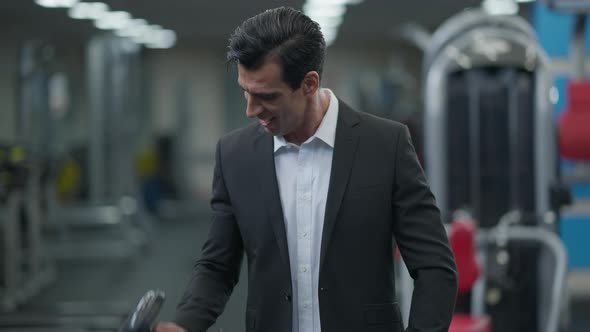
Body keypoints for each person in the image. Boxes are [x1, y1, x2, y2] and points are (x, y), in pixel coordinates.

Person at [155, 6, 457, 332]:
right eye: (246, 92)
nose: (251, 110)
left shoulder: (386, 145)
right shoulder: (234, 155)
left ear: (309, 84)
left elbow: (434, 267)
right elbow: (217, 266)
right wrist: (186, 324)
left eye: (266, 96)